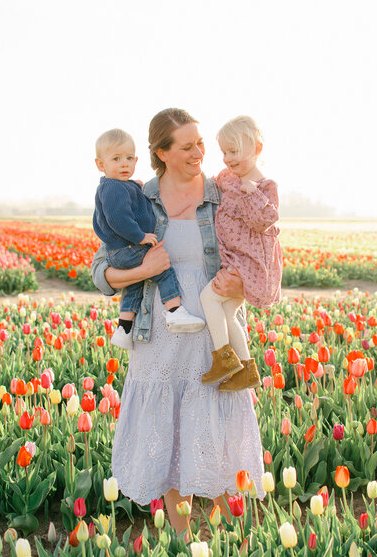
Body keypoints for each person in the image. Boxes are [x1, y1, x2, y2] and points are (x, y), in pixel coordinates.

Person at [91, 108, 265, 538]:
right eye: (187, 147)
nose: (199, 153)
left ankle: (235, 538)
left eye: (200, 144)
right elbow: (101, 272)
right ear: (161, 153)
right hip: (160, 335)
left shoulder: (222, 192)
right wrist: (143, 268)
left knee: (218, 430)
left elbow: (256, 250)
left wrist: (243, 282)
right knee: (169, 435)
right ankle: (186, 540)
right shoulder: (135, 197)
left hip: (212, 333)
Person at [93, 128, 205, 349]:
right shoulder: (113, 188)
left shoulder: (128, 186)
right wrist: (140, 237)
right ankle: (174, 311)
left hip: (124, 249)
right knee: (163, 268)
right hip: (127, 246)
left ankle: (124, 327)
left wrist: (138, 190)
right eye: (116, 159)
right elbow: (118, 218)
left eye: (129, 158)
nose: (124, 164)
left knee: (134, 284)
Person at [200, 116, 282, 391]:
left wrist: (251, 195)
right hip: (232, 258)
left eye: (234, 151)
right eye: (224, 152)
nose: (227, 158)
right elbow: (208, 183)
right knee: (227, 311)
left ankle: (224, 358)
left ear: (257, 148)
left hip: (248, 262)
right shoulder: (229, 179)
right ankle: (246, 369)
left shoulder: (264, 187)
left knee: (207, 297)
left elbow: (265, 220)